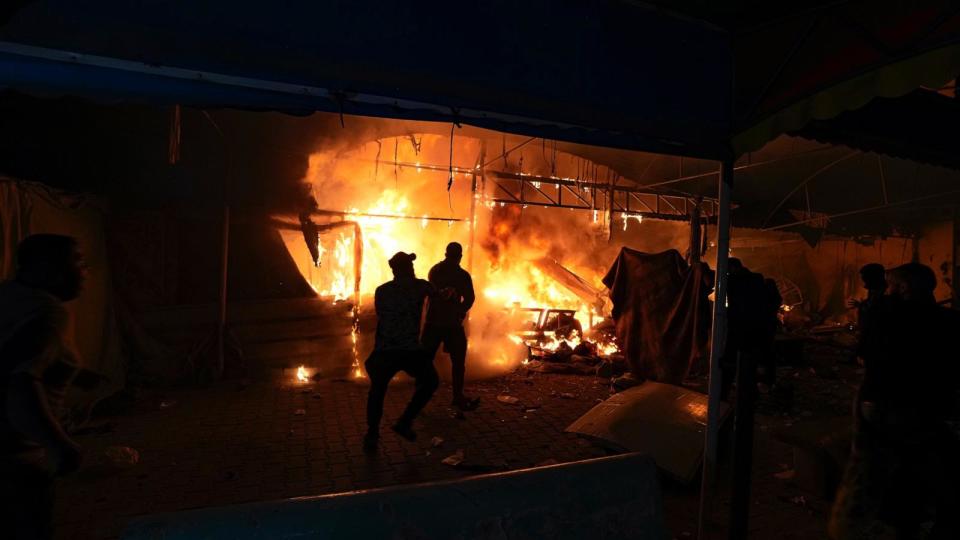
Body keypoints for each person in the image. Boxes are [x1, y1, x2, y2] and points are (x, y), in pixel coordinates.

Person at [830, 263, 959, 539]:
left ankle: (887, 525)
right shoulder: (947, 321)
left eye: (890, 285)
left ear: (902, 288)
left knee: (881, 470)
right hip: (926, 407)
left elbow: (864, 354)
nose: (885, 290)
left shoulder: (886, 317)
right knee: (917, 468)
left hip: (885, 403)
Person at [1, 234, 86, 540]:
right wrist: (58, 445)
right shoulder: (48, 313)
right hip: (14, 461)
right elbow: (21, 382)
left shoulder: (8, 295)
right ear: (46, 268)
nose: (84, 272)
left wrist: (77, 373)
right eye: (76, 262)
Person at [364, 252, 440, 452]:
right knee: (431, 381)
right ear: (410, 268)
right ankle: (405, 421)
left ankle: (372, 434)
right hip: (409, 350)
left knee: (377, 392)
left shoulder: (382, 291)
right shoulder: (420, 286)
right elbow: (437, 295)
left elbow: (381, 315)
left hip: (384, 351)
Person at [422, 242, 479, 411]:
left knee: (425, 360)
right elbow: (469, 298)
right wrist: (460, 312)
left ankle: (422, 396)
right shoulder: (462, 275)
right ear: (460, 256)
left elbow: (432, 294)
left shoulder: (435, 271)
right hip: (451, 324)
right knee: (458, 361)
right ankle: (457, 396)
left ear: (446, 254)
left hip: (433, 323)